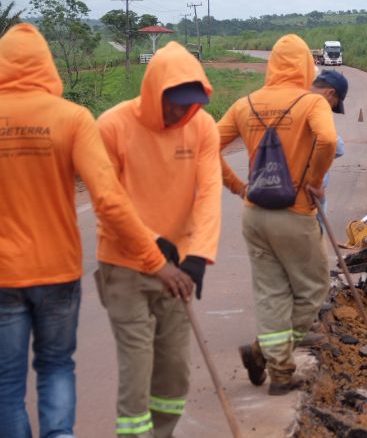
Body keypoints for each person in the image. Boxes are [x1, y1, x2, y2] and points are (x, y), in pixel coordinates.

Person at [0, 24, 189, 438]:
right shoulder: (71, 118)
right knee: (55, 367)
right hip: (57, 271)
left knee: (7, 386)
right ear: (46, 65)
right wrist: (157, 262)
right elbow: (109, 199)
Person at [94, 41, 221, 437]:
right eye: (175, 103)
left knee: (174, 373)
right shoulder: (112, 126)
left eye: (190, 104)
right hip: (125, 266)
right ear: (155, 93)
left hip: (178, 267)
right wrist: (153, 250)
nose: (182, 112)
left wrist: (198, 255)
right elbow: (108, 203)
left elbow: (209, 194)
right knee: (138, 368)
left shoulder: (201, 127)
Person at [218, 34, 337, 395]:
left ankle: (279, 372)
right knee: (314, 289)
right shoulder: (312, 103)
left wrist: (238, 186)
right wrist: (314, 181)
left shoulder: (244, 104)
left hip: (255, 214)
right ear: (304, 66)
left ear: (271, 66)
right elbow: (329, 141)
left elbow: (203, 145)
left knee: (270, 294)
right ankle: (264, 353)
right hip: (295, 212)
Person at [311, 69, 348, 219]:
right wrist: (316, 180)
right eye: (334, 105)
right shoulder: (316, 107)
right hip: (308, 195)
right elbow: (335, 145)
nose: (331, 109)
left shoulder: (290, 99)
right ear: (330, 93)